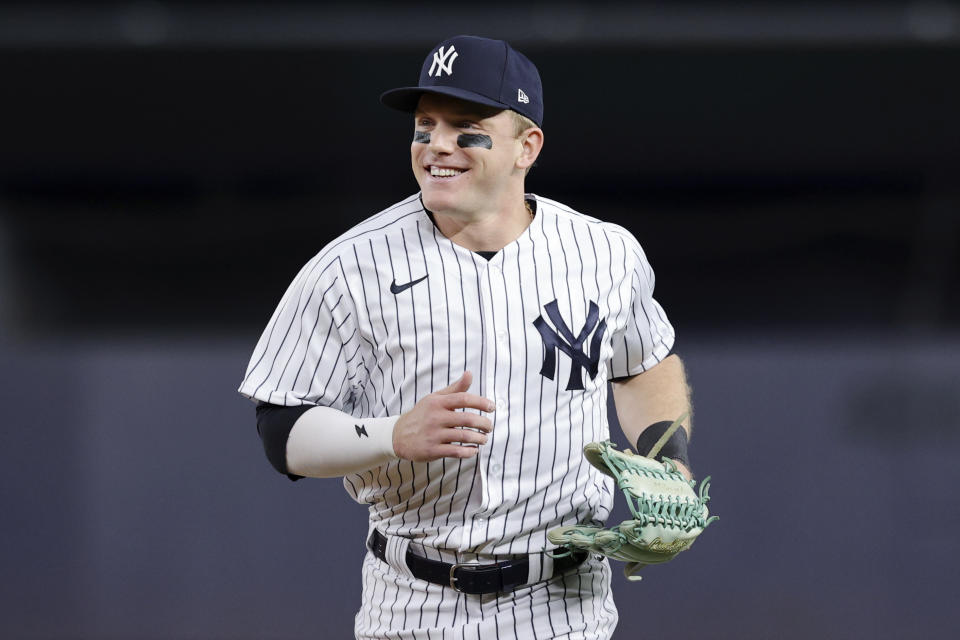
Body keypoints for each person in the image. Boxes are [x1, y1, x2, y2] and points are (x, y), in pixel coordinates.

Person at [238, 34, 695, 640]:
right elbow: (280, 430)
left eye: (467, 129)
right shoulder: (349, 267)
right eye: (424, 127)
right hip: (414, 600)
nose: (437, 147)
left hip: (567, 604)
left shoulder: (605, 252)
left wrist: (670, 463)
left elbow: (642, 362)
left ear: (525, 146)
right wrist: (391, 435)